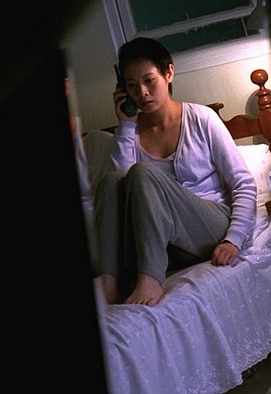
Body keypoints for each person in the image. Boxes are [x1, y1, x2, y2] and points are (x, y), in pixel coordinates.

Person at [93, 37, 257, 306]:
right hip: (166, 244)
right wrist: (125, 126)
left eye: (149, 81)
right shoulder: (129, 133)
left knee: (142, 172)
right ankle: (108, 283)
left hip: (209, 228)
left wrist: (234, 240)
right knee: (111, 181)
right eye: (131, 86)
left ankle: (150, 279)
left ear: (168, 73)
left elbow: (243, 184)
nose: (142, 93)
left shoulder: (201, 118)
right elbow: (121, 194)